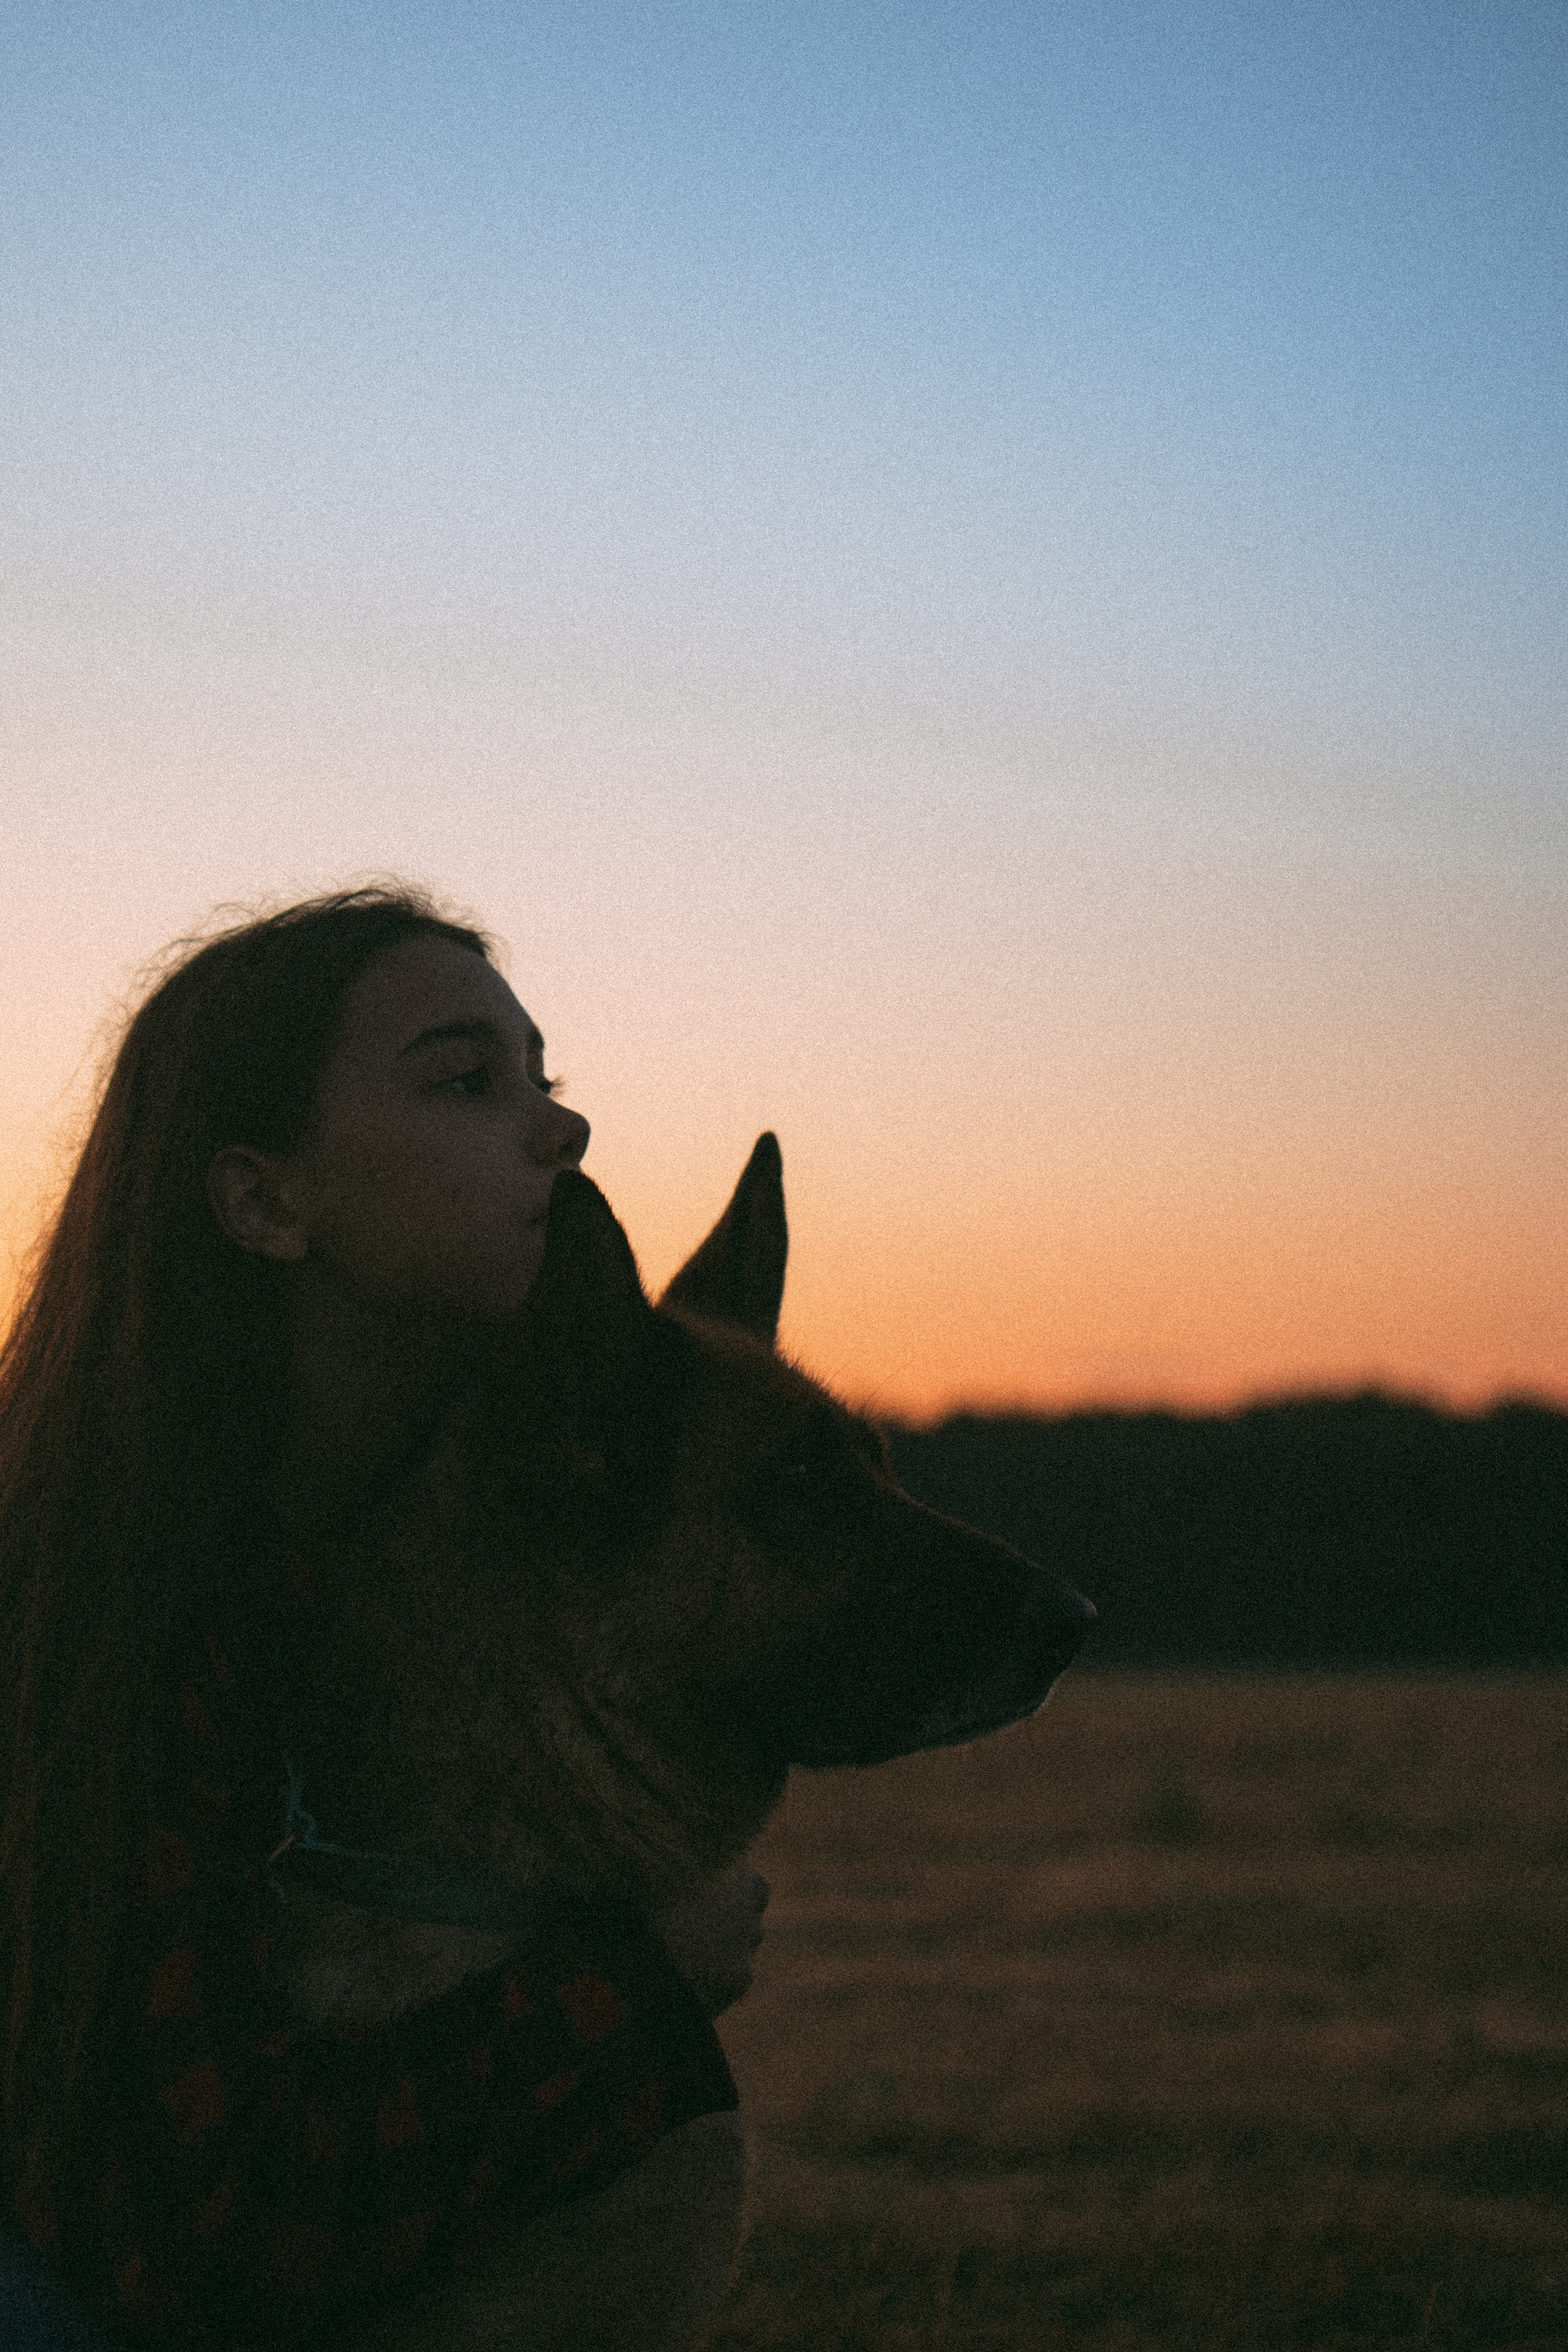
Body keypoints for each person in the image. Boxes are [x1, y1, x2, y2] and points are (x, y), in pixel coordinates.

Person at [0, 887, 769, 2347]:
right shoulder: (109, 1615)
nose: (561, 1128)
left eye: (546, 1079)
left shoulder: (414, 1575)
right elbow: (206, 2222)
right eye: (466, 1083)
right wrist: (633, 1988)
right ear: (264, 1202)